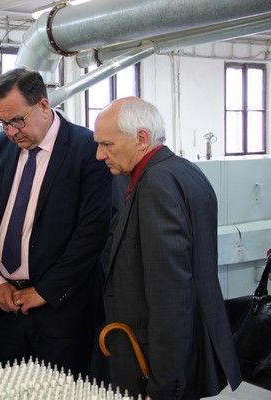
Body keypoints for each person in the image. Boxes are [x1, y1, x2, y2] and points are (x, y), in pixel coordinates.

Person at [93, 96, 241, 399]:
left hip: (158, 362)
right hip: (183, 349)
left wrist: (163, 385)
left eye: (107, 144)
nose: (99, 154)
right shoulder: (184, 170)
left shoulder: (155, 185)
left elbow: (170, 294)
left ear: (141, 138)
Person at [0, 68, 112, 375]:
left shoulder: (88, 149)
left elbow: (93, 231)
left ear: (44, 106)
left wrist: (46, 291)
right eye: (3, 123)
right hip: (5, 308)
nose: (11, 132)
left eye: (17, 120)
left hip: (62, 311)